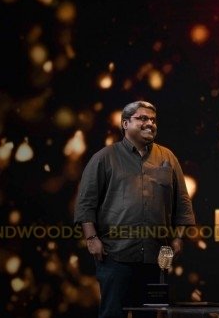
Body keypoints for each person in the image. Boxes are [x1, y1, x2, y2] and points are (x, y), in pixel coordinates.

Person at [74, 101, 195, 318]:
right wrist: (91, 238)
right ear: (125, 123)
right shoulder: (104, 157)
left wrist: (178, 238)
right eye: (143, 118)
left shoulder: (167, 157)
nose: (150, 123)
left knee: (148, 315)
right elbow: (85, 203)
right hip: (114, 255)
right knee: (112, 314)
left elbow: (183, 202)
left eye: (153, 120)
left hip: (155, 256)